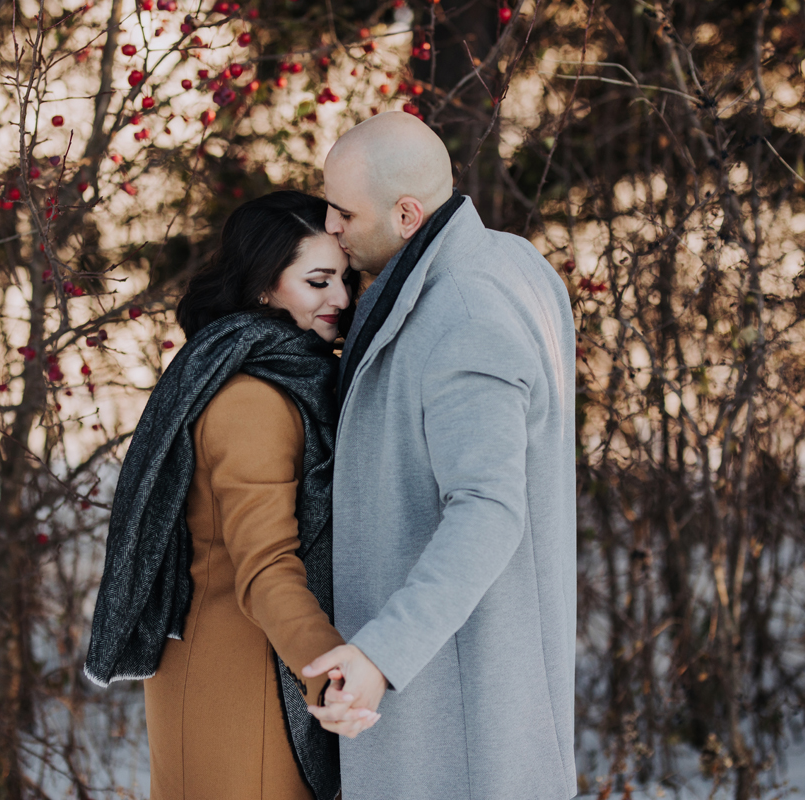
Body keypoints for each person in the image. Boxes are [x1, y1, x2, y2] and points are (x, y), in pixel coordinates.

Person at [301, 111, 580, 799]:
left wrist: (382, 653)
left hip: (460, 710)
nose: (329, 228)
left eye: (342, 212)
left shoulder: (462, 316)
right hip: (470, 687)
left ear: (405, 213)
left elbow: (488, 511)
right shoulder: (507, 259)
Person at [83, 191, 364, 800]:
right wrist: (334, 671)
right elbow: (264, 566)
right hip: (243, 680)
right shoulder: (253, 401)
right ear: (264, 287)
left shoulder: (276, 375)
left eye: (344, 278)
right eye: (317, 281)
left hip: (240, 665)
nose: (341, 299)